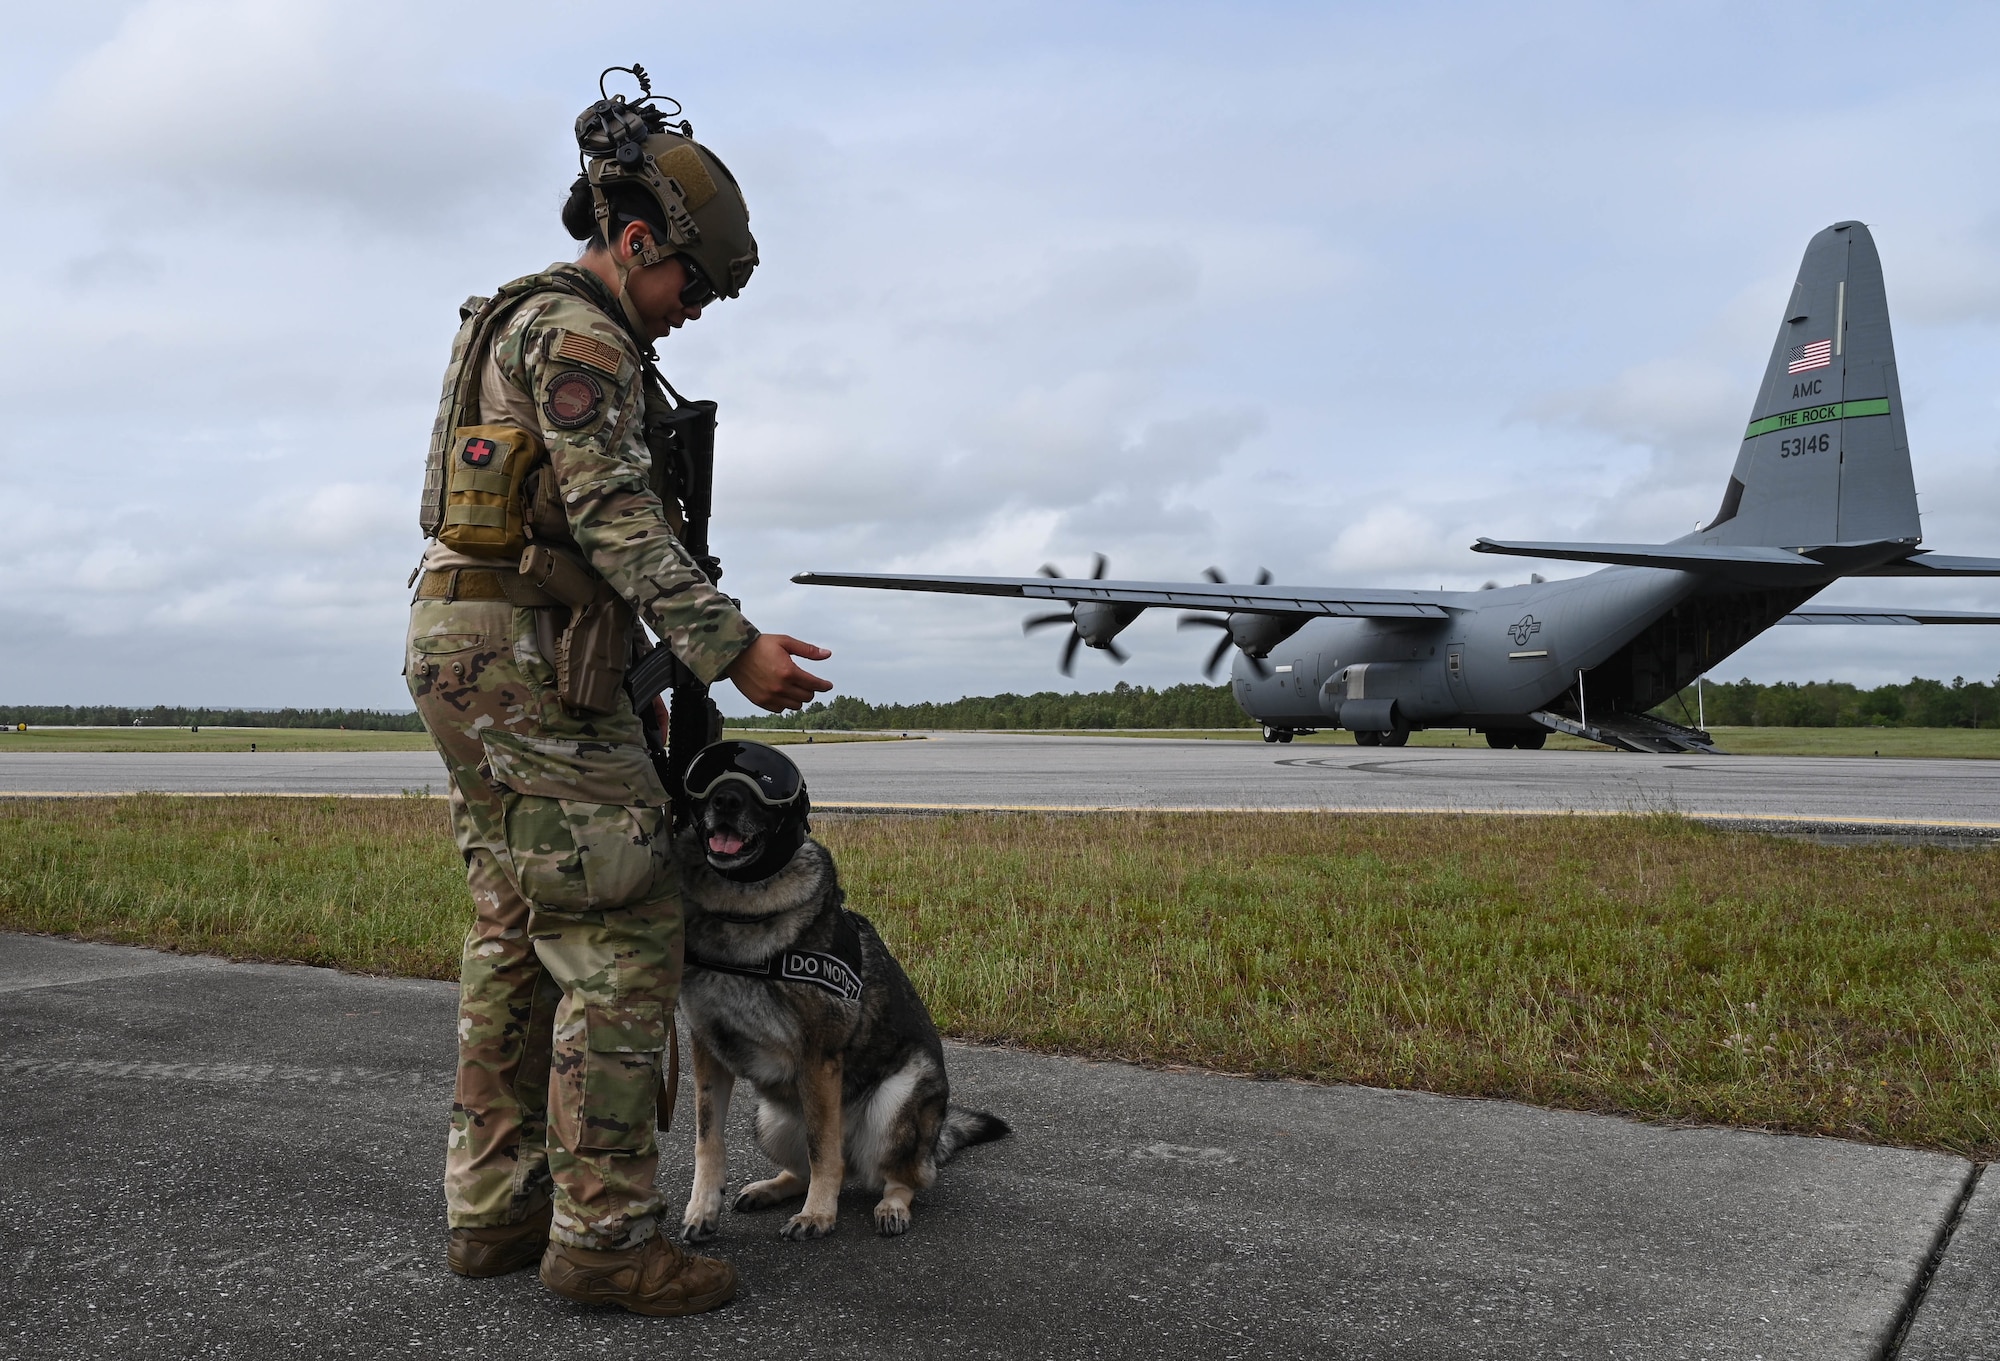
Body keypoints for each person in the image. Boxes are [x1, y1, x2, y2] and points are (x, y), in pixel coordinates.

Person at [404, 71, 831, 1317]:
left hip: (479, 641)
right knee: (620, 931)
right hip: (529, 649)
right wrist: (724, 645)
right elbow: (612, 511)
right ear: (635, 243)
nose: (692, 309)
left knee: (513, 927)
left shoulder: (509, 323)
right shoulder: (583, 332)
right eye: (689, 284)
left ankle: (494, 1213)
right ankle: (602, 1235)